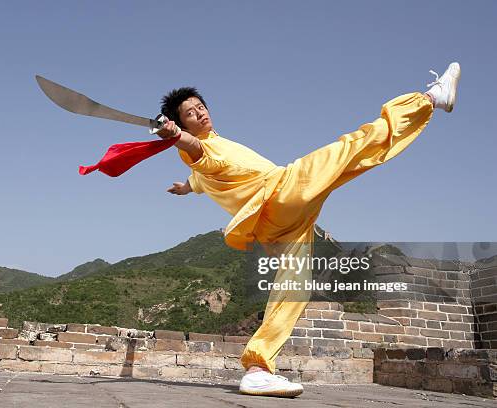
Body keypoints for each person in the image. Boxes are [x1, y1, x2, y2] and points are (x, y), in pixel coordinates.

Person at [156, 62, 461, 397]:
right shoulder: (201, 150)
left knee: (294, 287)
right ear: (181, 123)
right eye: (190, 113)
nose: (200, 114)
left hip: (279, 223)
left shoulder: (206, 163)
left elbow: (200, 177)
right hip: (284, 189)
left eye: (201, 107)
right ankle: (430, 98)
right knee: (352, 147)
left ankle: (257, 368)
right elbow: (196, 152)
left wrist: (185, 187)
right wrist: (179, 137)